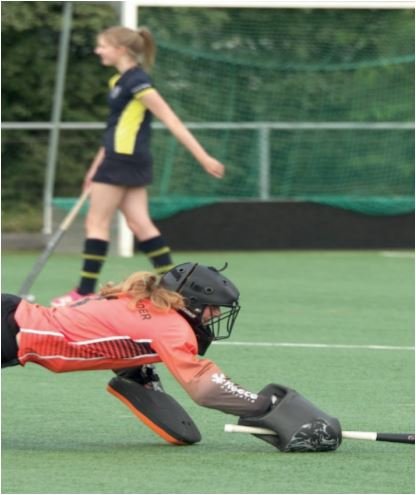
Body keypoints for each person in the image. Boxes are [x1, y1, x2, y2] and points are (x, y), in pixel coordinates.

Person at [2, 262, 342, 452]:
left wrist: (137, 371)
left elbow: (109, 336)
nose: (213, 317)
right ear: (191, 303)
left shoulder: (144, 300)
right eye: (212, 310)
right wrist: (263, 406)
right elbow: (205, 389)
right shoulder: (170, 328)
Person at [51, 25, 225, 307]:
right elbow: (114, 128)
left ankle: (83, 293)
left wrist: (203, 156)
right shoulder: (118, 82)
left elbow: (170, 119)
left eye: (102, 46)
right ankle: (177, 291)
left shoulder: (138, 82)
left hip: (121, 159)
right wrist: (95, 166)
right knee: (140, 224)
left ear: (120, 49)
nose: (98, 50)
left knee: (97, 223)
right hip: (122, 158)